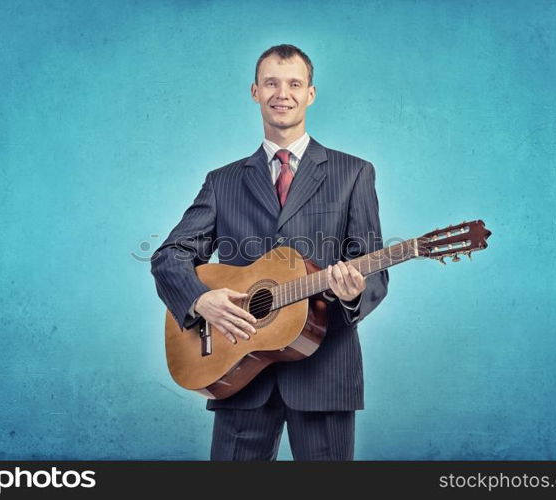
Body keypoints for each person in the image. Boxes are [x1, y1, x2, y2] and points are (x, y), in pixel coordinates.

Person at [150, 44, 388, 460]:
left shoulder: (354, 173)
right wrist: (200, 299)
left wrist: (352, 295)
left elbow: (376, 273)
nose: (283, 93)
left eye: (294, 83)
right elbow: (169, 255)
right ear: (255, 91)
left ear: (310, 93)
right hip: (235, 370)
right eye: (271, 83)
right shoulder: (222, 182)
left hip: (324, 372)